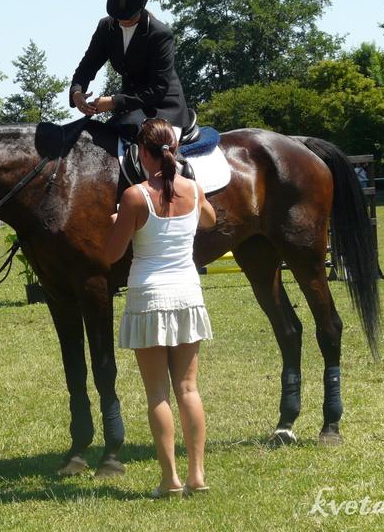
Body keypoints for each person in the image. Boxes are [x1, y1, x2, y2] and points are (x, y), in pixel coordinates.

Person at [104, 119, 216, 498]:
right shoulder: (194, 189)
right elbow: (209, 219)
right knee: (189, 388)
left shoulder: (135, 196)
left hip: (149, 297)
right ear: (175, 149)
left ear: (142, 152)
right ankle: (197, 476)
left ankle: (170, 480)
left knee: (158, 395)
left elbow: (112, 254)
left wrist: (116, 222)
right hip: (187, 294)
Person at [70, 0, 191, 137]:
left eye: (129, 17)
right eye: (118, 16)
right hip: (130, 111)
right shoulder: (106, 28)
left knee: (153, 148)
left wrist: (114, 102)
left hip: (163, 109)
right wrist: (76, 92)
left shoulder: (160, 35)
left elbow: (157, 89)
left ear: (141, 7)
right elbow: (87, 66)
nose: (123, 21)